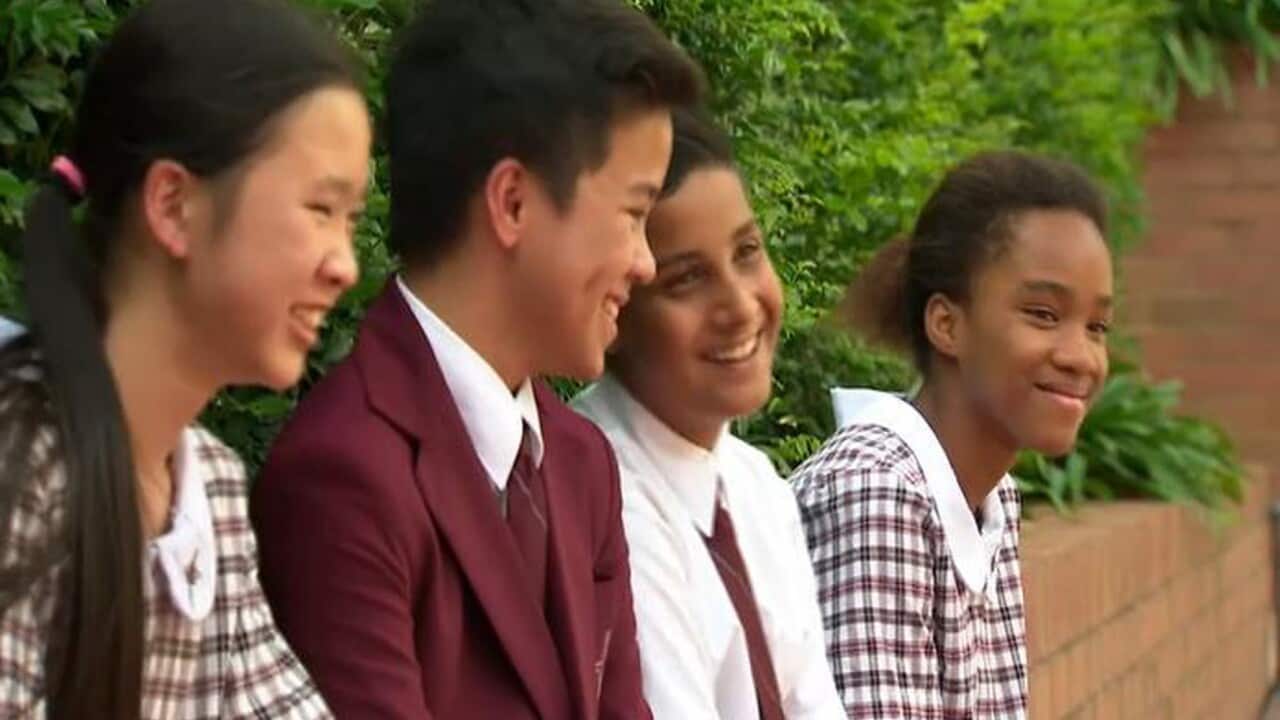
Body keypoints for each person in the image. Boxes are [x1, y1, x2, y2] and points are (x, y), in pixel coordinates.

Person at [249, 1, 704, 717]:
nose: (646, 263)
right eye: (634, 214)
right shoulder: (342, 476)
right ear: (514, 202)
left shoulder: (583, 464)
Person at [0, 0, 370, 717]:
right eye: (321, 210)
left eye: (353, 222)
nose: (345, 266)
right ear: (173, 205)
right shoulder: (21, 471)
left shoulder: (213, 496)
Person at [791, 150, 1114, 719]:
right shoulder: (876, 490)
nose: (1081, 356)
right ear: (947, 324)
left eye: (1096, 326)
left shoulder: (992, 497)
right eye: (1042, 313)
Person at [573, 108, 845, 719]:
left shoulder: (756, 488)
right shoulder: (601, 498)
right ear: (616, 302)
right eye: (687, 280)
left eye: (747, 252)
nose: (740, 305)